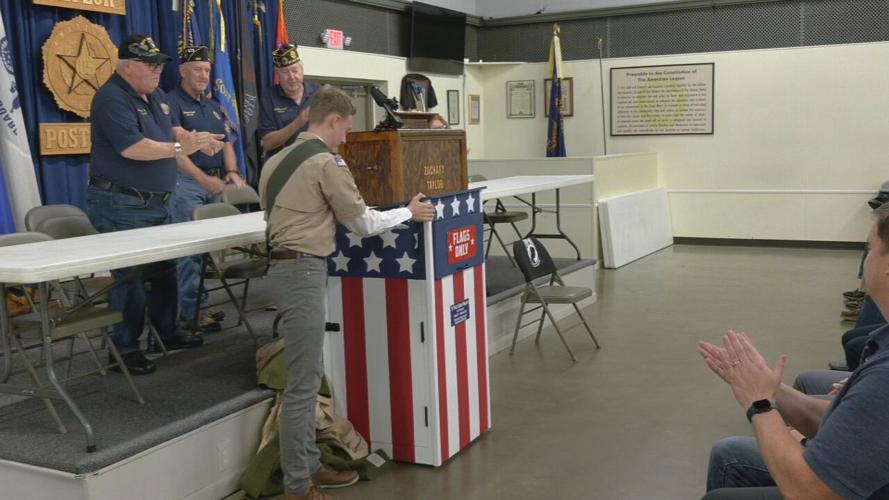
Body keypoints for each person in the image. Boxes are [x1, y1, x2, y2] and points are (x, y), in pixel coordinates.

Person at [259, 85, 435, 500]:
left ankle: (308, 464)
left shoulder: (276, 159)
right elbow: (362, 223)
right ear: (333, 120)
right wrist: (408, 212)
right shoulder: (325, 162)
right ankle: (298, 486)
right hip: (302, 270)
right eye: (346, 129)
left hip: (284, 268)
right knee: (303, 385)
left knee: (304, 377)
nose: (346, 138)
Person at [697, 211, 889, 499]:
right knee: (728, 453)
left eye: (870, 250)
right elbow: (857, 425)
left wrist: (760, 404)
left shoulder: (882, 380)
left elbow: (808, 492)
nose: (865, 261)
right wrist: (772, 390)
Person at [87, 34, 218, 375]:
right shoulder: (111, 99)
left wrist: (191, 138)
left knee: (164, 270)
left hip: (158, 202)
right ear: (129, 66)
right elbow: (134, 148)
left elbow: (170, 129)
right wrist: (181, 149)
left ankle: (166, 331)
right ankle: (124, 349)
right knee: (129, 277)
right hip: (122, 203)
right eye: (151, 64)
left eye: (160, 64)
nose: (159, 70)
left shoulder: (155, 95)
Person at [167, 45, 246, 335]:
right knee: (189, 252)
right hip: (187, 183)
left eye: (207, 70)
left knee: (205, 253)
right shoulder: (171, 102)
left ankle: (199, 306)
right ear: (183, 71)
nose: (203, 75)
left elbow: (226, 143)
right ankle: (191, 313)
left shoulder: (213, 106)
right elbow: (177, 148)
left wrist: (232, 172)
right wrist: (203, 179)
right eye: (197, 69)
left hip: (214, 182)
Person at [258, 43, 320, 158]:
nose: (291, 77)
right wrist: (298, 123)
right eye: (285, 72)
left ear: (302, 70)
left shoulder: (318, 93)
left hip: (314, 161)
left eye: (295, 70)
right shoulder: (269, 97)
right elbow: (267, 143)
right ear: (277, 75)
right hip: (282, 166)